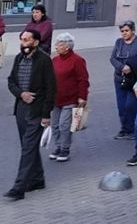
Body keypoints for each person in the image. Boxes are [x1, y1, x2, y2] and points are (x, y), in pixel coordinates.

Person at [5, 30, 56, 201]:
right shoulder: (19, 58)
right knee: (29, 147)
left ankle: (19, 187)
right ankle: (37, 180)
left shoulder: (44, 60)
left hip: (37, 110)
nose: (23, 42)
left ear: (35, 42)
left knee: (28, 147)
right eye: (22, 40)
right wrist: (21, 94)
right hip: (21, 108)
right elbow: (11, 81)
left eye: (26, 39)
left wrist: (46, 114)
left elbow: (51, 89)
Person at [49, 33, 89, 162]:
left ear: (67, 46)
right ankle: (58, 146)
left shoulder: (77, 60)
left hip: (71, 99)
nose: (56, 46)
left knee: (64, 125)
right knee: (54, 125)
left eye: (59, 44)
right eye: (56, 43)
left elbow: (83, 79)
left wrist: (82, 97)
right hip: (56, 98)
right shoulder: (55, 60)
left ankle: (65, 149)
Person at [109, 21, 137, 140]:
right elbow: (112, 58)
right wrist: (122, 67)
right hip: (120, 78)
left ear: (132, 30)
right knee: (122, 106)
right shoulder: (119, 42)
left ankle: (133, 129)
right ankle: (124, 129)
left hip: (135, 79)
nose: (124, 33)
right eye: (122, 31)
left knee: (131, 105)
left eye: (126, 31)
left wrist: (132, 66)